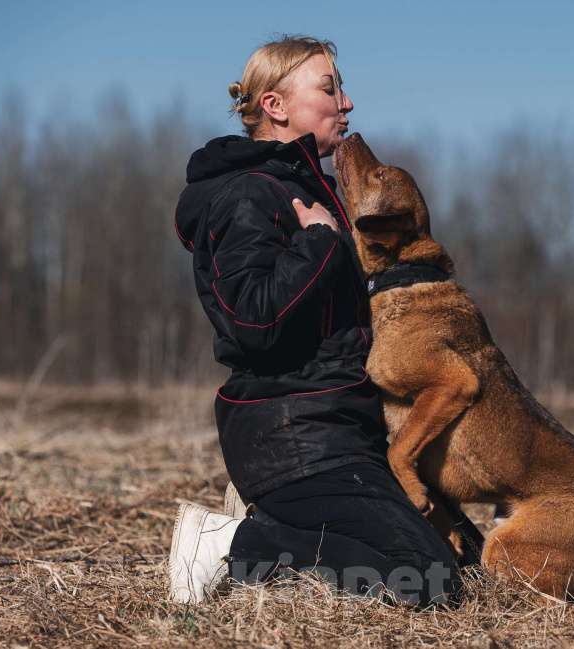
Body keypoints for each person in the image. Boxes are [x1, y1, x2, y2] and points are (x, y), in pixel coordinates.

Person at [169, 35, 477, 608]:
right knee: (428, 580)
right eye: (330, 88)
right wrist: (315, 243)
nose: (348, 103)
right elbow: (251, 322)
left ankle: (285, 521)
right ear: (276, 106)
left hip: (340, 431)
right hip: (293, 434)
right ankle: (234, 544)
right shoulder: (248, 196)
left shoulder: (317, 193)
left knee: (468, 559)